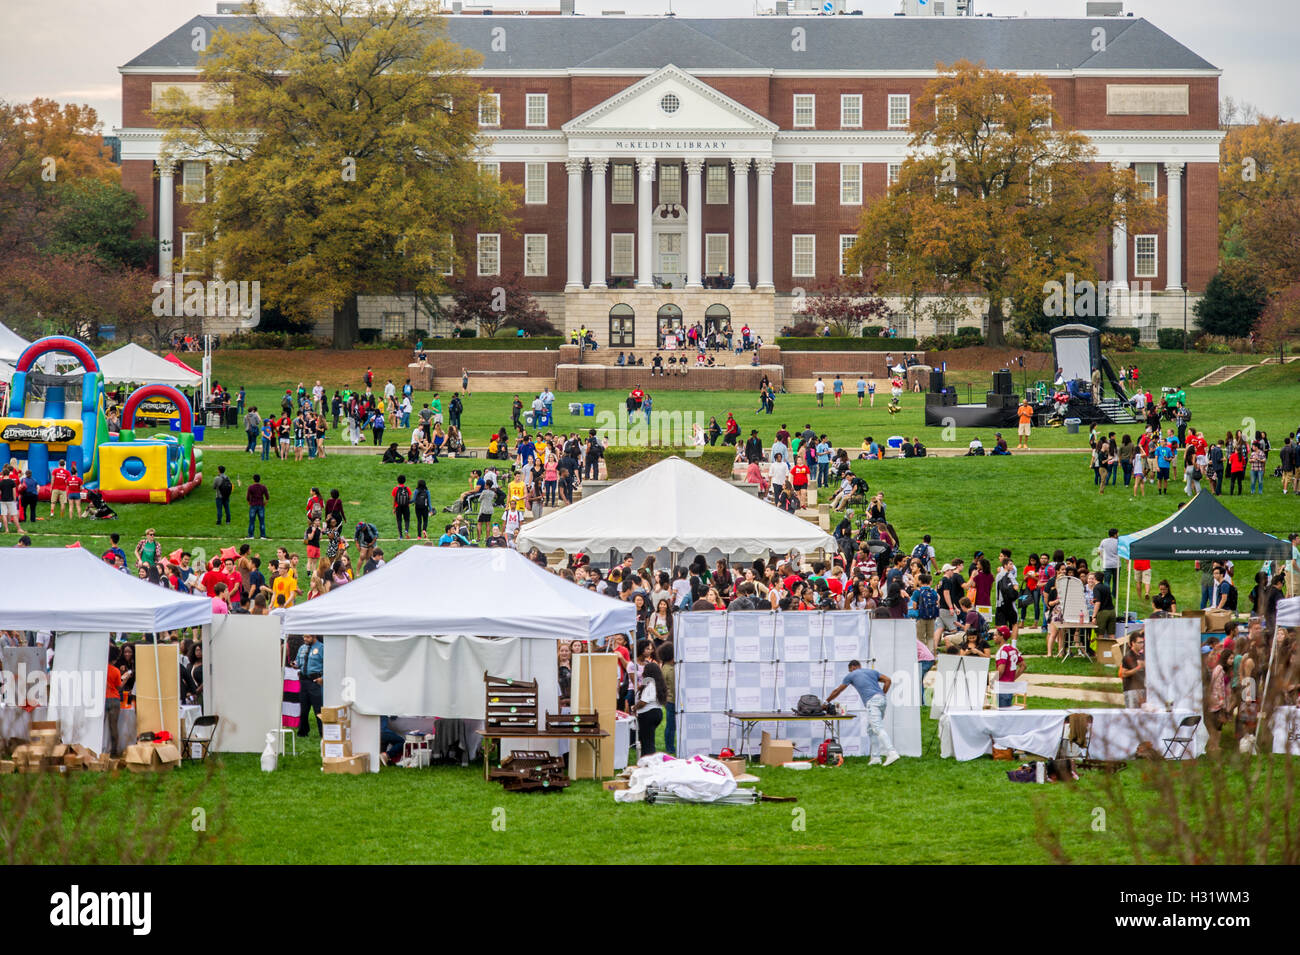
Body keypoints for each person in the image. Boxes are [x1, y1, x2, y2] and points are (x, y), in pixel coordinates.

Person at [826, 661, 898, 766]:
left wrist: (826, 701)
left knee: (877, 728)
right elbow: (888, 680)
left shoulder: (851, 675)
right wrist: (882, 693)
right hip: (882, 700)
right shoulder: (872, 672)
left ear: (853, 667)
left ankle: (892, 752)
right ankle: (875, 757)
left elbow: (837, 691)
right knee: (871, 730)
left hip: (872, 702)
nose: (850, 672)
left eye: (850, 670)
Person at [635, 640, 665, 756]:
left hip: (648, 714)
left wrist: (634, 708)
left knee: (647, 741)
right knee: (648, 739)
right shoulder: (657, 684)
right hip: (655, 713)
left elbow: (643, 702)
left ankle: (648, 760)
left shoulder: (650, 686)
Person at [296, 634, 324, 737]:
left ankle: (323, 733)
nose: (305, 639)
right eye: (304, 637)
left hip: (315, 681)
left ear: (314, 636)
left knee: (318, 709)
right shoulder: (302, 648)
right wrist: (295, 664)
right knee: (304, 709)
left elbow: (328, 665)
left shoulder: (322, 648)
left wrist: (323, 679)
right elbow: (298, 661)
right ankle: (302, 732)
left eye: (307, 637)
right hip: (303, 681)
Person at [993, 626, 1024, 708]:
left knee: (1002, 715)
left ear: (1001, 636)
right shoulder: (1013, 649)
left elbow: (1001, 670)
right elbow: (1023, 666)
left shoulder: (1002, 651)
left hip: (1002, 686)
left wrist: (993, 681)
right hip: (1010, 686)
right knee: (1007, 712)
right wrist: (1013, 678)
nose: (994, 637)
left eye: (995, 635)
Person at [1119, 632, 1146, 708]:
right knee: (1133, 715)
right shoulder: (1128, 656)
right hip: (1131, 690)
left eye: (1143, 642)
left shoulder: (1142, 656)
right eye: (1139, 642)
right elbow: (1124, 673)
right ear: (1133, 643)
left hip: (1142, 688)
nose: (1142, 644)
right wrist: (1138, 668)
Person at [246, 473, 269, 539]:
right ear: (259, 479)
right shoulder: (263, 487)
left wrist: (249, 503)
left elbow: (247, 497)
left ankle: (251, 535)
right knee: (262, 521)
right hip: (261, 505)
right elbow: (267, 497)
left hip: (253, 505)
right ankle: (263, 535)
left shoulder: (251, 487)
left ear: (253, 479)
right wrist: (264, 503)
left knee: (252, 521)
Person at [392, 474, 412, 539]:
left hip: (398, 506)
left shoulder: (395, 489)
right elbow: (410, 497)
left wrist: (394, 508)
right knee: (407, 520)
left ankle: (400, 536)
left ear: (398, 481)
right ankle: (406, 530)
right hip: (406, 506)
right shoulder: (407, 488)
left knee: (399, 520)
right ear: (404, 481)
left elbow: (394, 499)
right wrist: (408, 504)